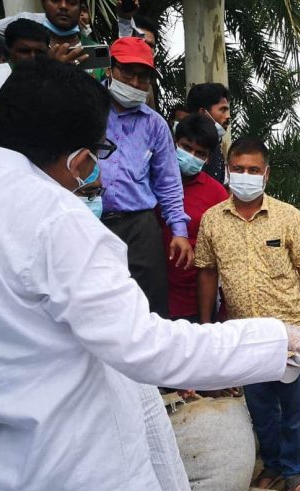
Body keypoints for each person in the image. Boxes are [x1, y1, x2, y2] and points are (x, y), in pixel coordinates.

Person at [0, 58, 300, 491]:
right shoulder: (53, 218)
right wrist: (278, 337)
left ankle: (292, 468)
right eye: (97, 158)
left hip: (3, 481)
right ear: (79, 155)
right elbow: (150, 347)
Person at [195, 137, 300, 491]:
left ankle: (294, 469)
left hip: (290, 330)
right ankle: (271, 464)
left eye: (253, 170)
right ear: (227, 170)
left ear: (266, 175)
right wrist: (206, 326)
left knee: (294, 405)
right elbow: (206, 273)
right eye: (238, 169)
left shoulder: (288, 217)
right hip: (244, 333)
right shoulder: (212, 221)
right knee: (260, 406)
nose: (245, 176)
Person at [99, 37, 191, 318]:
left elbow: (168, 183)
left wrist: (179, 230)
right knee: (95, 298)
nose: (136, 83)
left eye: (144, 77)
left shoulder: (155, 124)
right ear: (110, 69)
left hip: (139, 225)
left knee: (149, 306)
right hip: (90, 218)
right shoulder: (87, 107)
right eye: (128, 72)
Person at [163, 113, 228, 321]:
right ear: (174, 143)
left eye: (199, 153)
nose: (191, 155)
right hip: (148, 294)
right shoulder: (150, 182)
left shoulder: (217, 194)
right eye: (186, 147)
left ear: (208, 158)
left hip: (195, 302)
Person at [185, 82, 231, 185]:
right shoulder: (177, 147)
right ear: (203, 112)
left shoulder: (215, 148)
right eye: (222, 110)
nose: (228, 116)